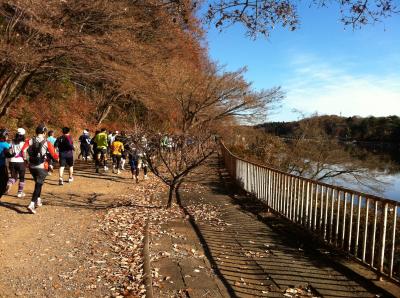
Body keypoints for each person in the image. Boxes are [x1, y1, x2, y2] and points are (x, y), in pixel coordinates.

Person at [26, 124, 58, 214]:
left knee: (38, 183)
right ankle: (32, 204)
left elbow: (23, 150)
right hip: (41, 166)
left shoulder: (30, 140)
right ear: (44, 132)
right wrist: (58, 159)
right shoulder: (46, 142)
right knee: (38, 185)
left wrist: (26, 160)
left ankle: (38, 200)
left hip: (31, 166)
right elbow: (54, 155)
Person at [6, 128, 28, 197]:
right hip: (20, 161)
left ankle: (9, 184)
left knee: (13, 177)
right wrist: (25, 159)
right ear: (23, 135)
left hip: (12, 161)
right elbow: (24, 152)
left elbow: (9, 151)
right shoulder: (23, 143)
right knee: (22, 177)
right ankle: (19, 193)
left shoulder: (11, 142)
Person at [0, 129, 14, 198]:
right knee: (4, 180)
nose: (7, 136)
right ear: (4, 136)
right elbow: (9, 154)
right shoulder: (6, 145)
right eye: (7, 135)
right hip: (1, 165)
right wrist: (13, 154)